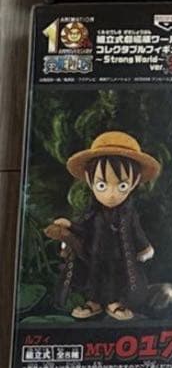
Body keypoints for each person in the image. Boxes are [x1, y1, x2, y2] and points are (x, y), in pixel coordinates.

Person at [44, 131, 160, 321]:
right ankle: (94, 302)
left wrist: (144, 247)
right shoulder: (92, 212)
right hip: (95, 255)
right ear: (89, 181)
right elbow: (84, 228)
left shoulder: (128, 214)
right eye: (102, 185)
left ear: (134, 182)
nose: (111, 194)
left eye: (122, 186)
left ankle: (115, 302)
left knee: (119, 278)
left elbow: (136, 231)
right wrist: (70, 226)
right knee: (94, 278)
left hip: (120, 257)